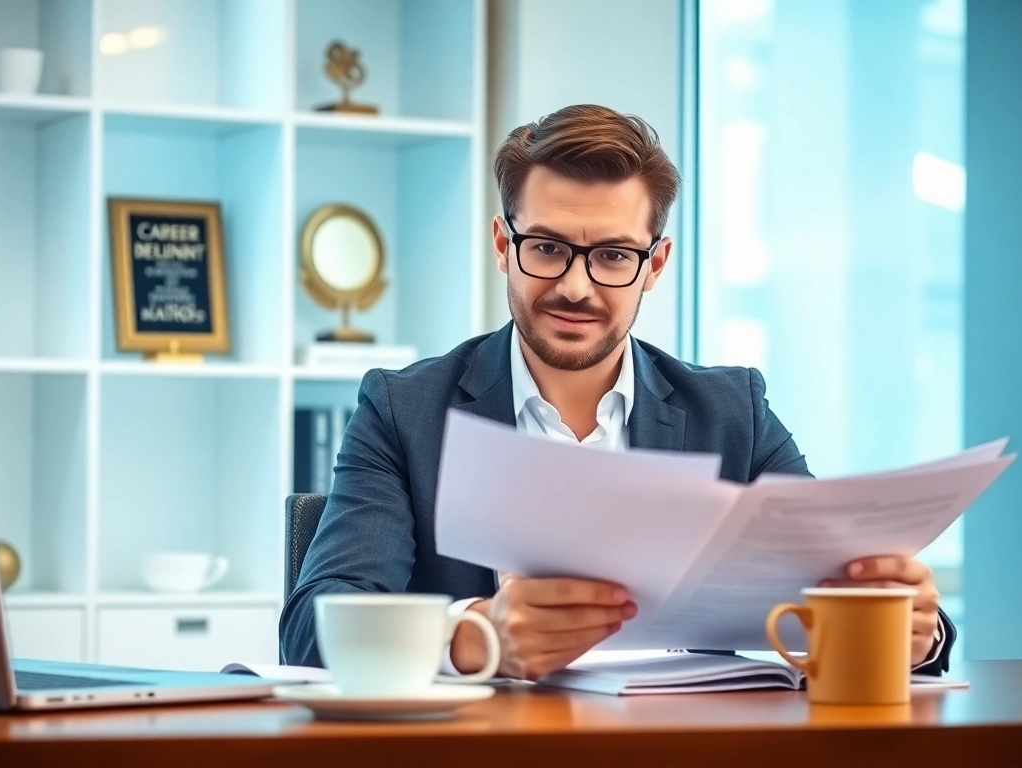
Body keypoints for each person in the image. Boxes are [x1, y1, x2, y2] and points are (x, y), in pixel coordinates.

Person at [279, 104, 954, 680]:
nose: (576, 287)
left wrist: (913, 634)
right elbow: (313, 629)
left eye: (612, 255)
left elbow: (837, 587)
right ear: (502, 244)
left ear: (653, 264)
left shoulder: (732, 413)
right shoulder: (406, 409)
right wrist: (474, 637)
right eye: (546, 247)